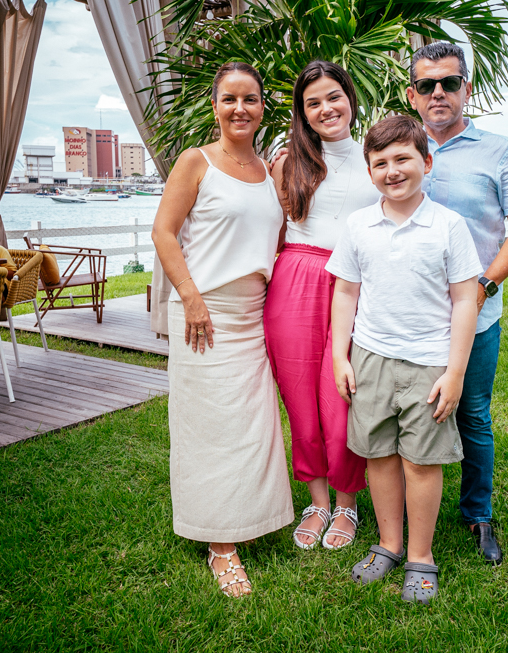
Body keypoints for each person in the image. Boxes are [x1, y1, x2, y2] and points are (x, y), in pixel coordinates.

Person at [152, 62, 294, 597]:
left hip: (253, 313)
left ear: (262, 107)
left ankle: (248, 515)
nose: (240, 108)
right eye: (230, 99)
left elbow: (276, 240)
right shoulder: (197, 161)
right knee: (209, 427)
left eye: (250, 99)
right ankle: (220, 545)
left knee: (252, 425)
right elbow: (164, 232)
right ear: (215, 107)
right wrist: (190, 296)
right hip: (204, 312)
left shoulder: (269, 171)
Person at [326, 115, 482, 603]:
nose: (392, 171)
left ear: (426, 163)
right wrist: (340, 355)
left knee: (420, 461)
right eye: (380, 163)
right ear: (370, 171)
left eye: (402, 159)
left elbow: (465, 300)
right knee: (378, 455)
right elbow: (346, 292)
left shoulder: (449, 226)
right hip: (370, 358)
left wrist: (455, 372)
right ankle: (389, 544)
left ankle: (421, 555)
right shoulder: (359, 225)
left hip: (428, 363)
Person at [406, 42, 508, 565]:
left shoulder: (501, 151)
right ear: (412, 94)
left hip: (477, 312)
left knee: (473, 414)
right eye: (427, 84)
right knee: (408, 410)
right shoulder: (401, 145)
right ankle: (407, 509)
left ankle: (477, 513)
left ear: (467, 87)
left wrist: (484, 284)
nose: (438, 93)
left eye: (449, 82)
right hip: (411, 315)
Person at [263, 60, 381, 551]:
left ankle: (347, 502)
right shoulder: (286, 162)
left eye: (333, 96)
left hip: (352, 283)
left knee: (343, 398)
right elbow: (270, 230)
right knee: (299, 399)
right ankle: (316, 501)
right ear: (303, 112)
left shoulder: (375, 157)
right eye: (313, 102)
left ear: (350, 97)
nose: (326, 108)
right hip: (294, 278)